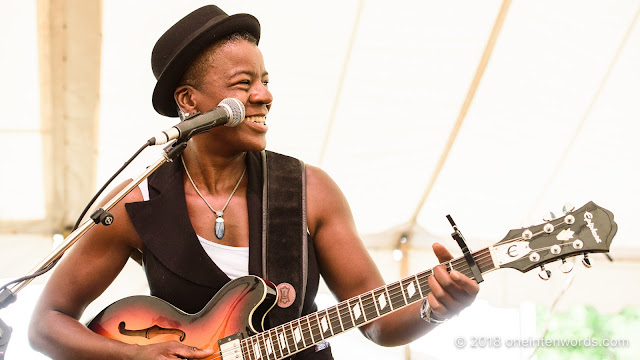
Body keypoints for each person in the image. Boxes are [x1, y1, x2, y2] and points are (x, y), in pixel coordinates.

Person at [28, 5, 479, 359]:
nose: (263, 95)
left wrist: (434, 309)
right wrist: (129, 358)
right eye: (243, 84)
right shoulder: (136, 202)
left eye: (264, 80)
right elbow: (46, 324)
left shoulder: (309, 191)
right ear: (189, 101)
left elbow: (380, 324)